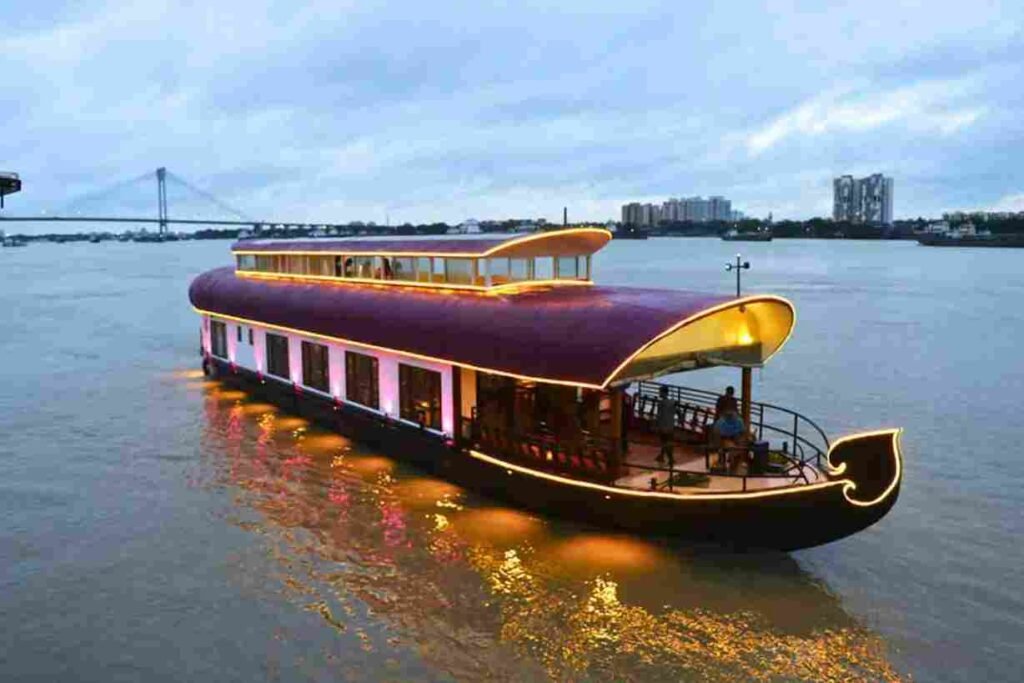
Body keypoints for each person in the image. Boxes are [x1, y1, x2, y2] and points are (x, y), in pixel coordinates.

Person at [655, 386, 677, 466]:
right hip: (670, 425)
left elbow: (659, 415)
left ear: (663, 392)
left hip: (663, 426)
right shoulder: (672, 402)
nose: (659, 393)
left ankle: (670, 459)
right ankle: (662, 456)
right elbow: (676, 412)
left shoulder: (661, 403)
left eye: (660, 392)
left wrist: (657, 425)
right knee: (668, 442)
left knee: (664, 442)